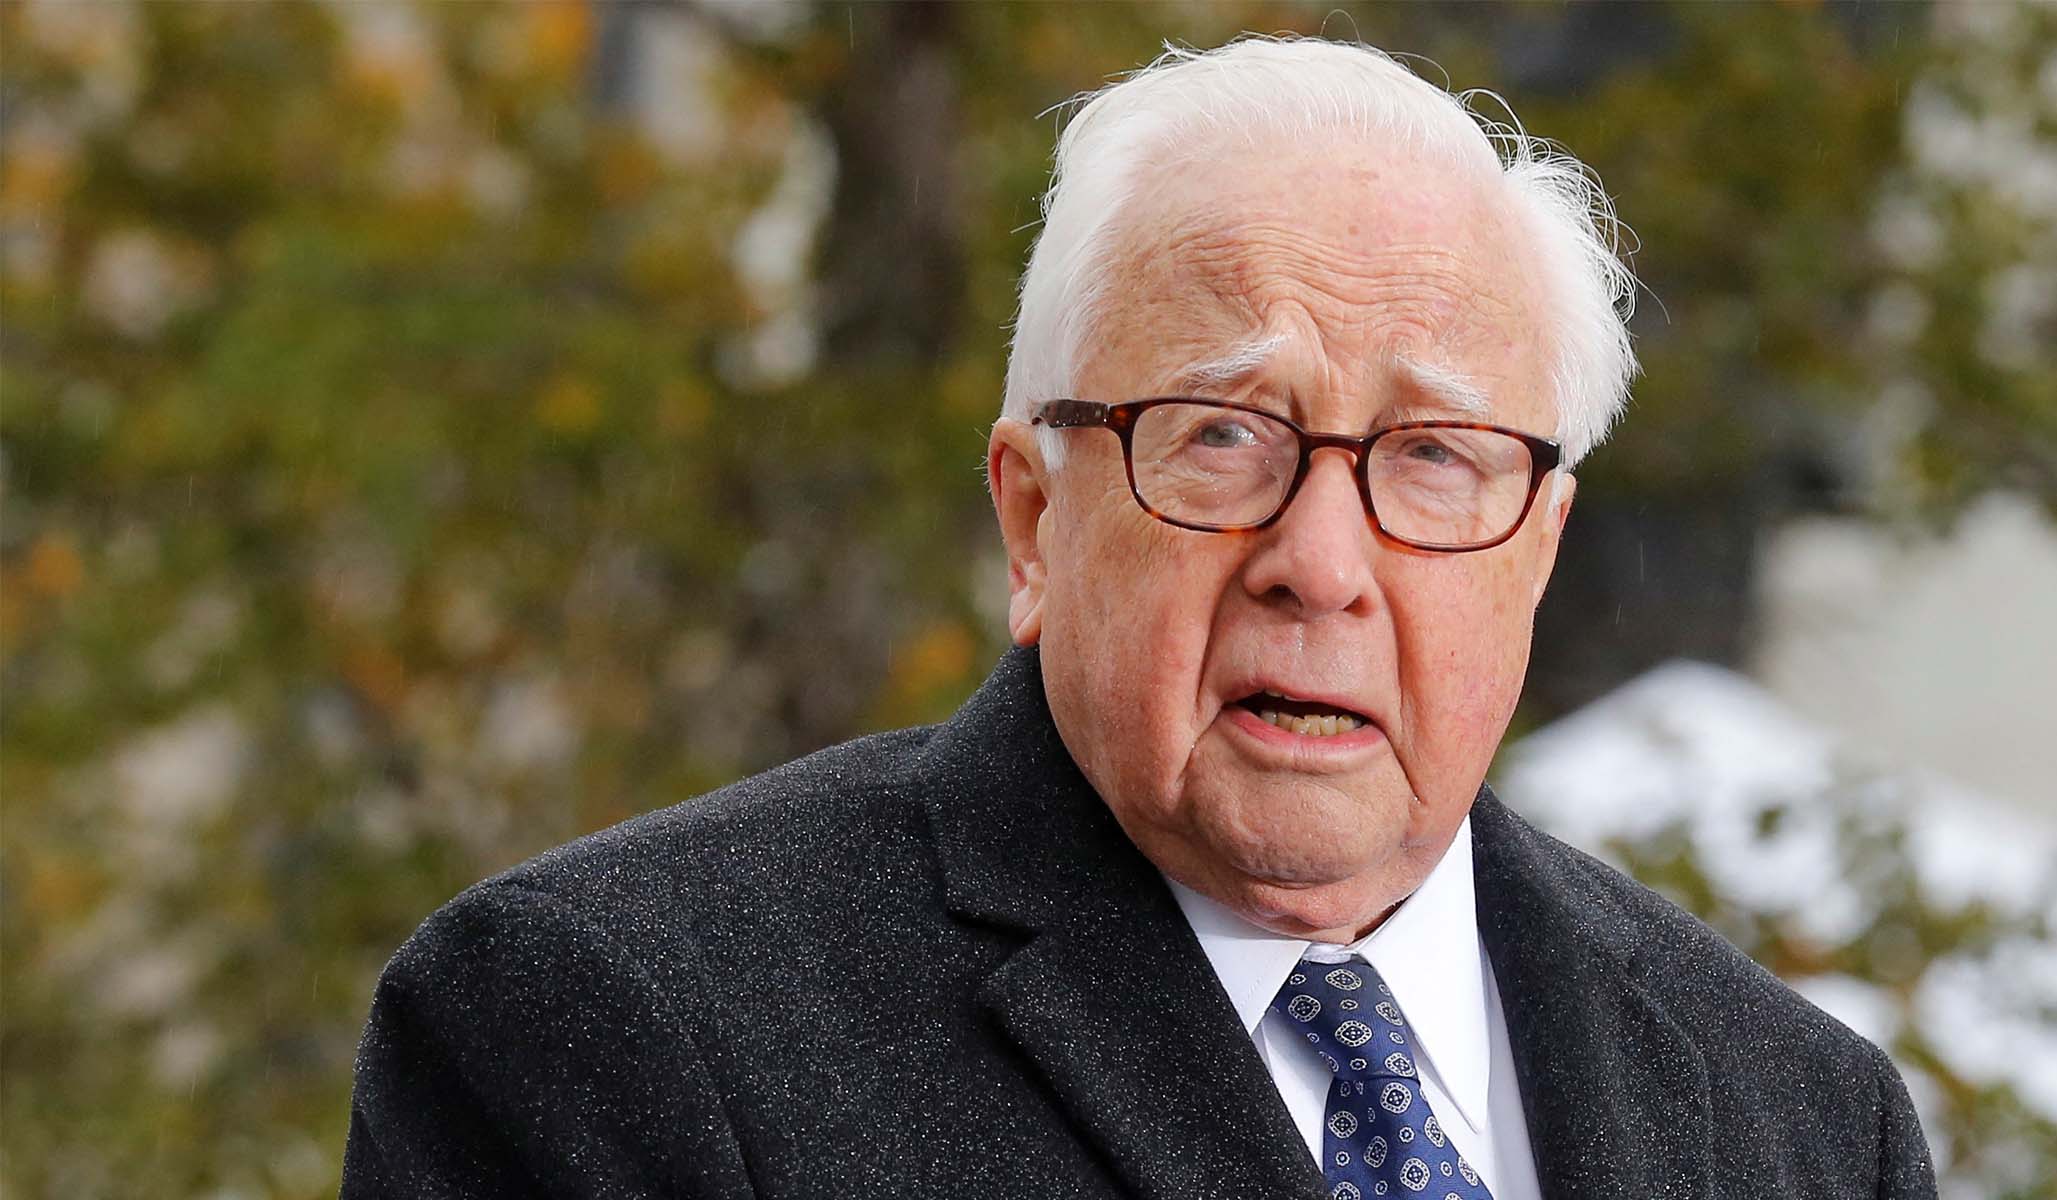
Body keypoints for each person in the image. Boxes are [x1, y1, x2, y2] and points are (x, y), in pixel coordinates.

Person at [341, 37, 1936, 1200]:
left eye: (1434, 458)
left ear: (1535, 547)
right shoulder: (605, 1023)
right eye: (1223, 435)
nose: (1320, 562)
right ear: (1032, 519)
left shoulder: (1802, 1125)